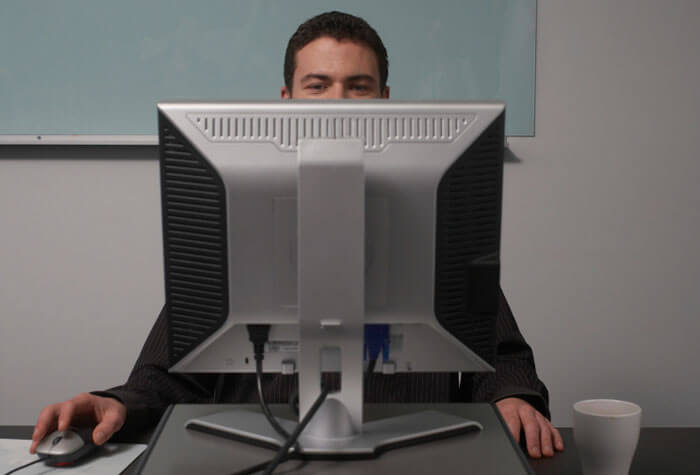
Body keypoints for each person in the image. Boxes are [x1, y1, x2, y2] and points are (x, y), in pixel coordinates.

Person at [30, 11, 564, 460]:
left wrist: (513, 398)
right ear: (286, 100)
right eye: (318, 86)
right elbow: (169, 375)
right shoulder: (237, 220)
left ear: (386, 100)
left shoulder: (433, 216)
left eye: (358, 88)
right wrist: (117, 403)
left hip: (406, 456)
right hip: (257, 458)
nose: (337, 105)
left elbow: (501, 358)